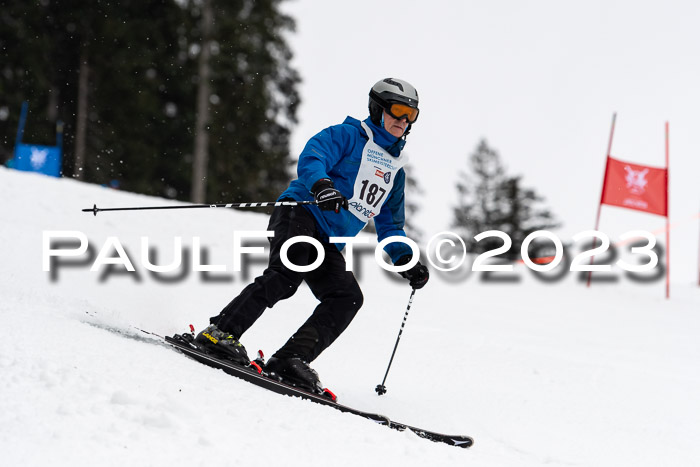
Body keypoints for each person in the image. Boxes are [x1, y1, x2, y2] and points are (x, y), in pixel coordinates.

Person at [195, 78, 430, 394]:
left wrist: (405, 259)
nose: (403, 120)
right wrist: (323, 186)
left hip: (329, 238)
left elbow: (390, 226)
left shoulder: (395, 172)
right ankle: (220, 332)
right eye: (398, 111)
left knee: (346, 298)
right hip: (300, 213)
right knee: (288, 272)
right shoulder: (348, 135)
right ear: (378, 109)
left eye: (410, 115)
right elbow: (313, 156)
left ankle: (290, 359)